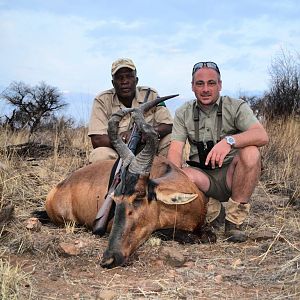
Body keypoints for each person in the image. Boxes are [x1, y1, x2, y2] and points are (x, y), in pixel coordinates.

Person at [167, 61, 269, 242]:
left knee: (251, 152)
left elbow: (262, 135)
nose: (205, 89)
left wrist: (229, 141)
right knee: (181, 174)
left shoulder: (236, 106)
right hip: (203, 179)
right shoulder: (183, 112)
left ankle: (234, 222)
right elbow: (175, 150)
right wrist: (172, 182)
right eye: (200, 84)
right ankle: (212, 211)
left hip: (231, 177)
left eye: (211, 83)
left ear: (220, 85)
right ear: (192, 87)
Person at [88, 58, 173, 163]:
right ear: (113, 83)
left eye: (129, 76)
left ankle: (169, 178)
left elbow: (168, 125)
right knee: (99, 154)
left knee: (171, 141)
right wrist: (122, 140)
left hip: (147, 150)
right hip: (118, 152)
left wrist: (145, 133)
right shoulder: (102, 100)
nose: (124, 81)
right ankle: (112, 178)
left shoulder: (151, 95)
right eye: (119, 78)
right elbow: (97, 139)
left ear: (136, 80)